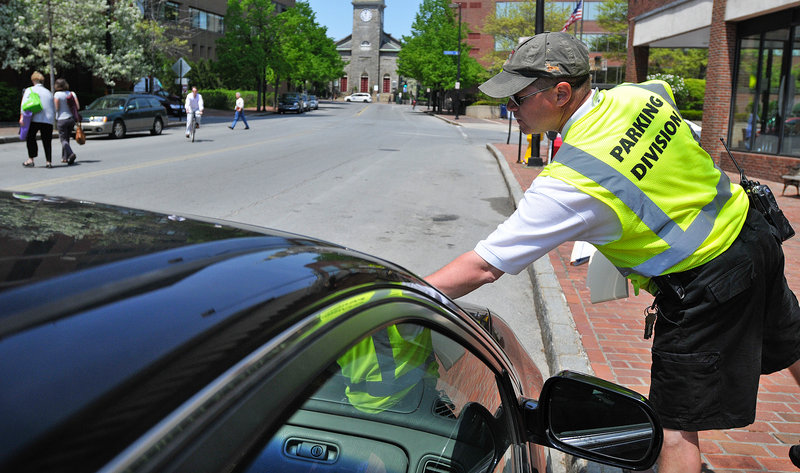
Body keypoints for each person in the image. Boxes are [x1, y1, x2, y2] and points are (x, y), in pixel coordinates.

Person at [424, 31, 800, 473]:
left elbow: (485, 266)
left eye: (517, 99)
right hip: (755, 235)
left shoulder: (572, 181)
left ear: (561, 92)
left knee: (674, 429)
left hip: (708, 283)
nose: (512, 110)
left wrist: (398, 290)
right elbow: (665, 122)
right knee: (793, 344)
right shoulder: (638, 96)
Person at [20, 71, 54, 168]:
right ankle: (48, 161)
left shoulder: (29, 90)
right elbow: (53, 107)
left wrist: (22, 117)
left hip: (34, 118)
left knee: (30, 138)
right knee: (47, 140)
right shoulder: (48, 92)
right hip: (48, 119)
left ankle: (31, 159)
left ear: (33, 80)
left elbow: (24, 105)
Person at [53, 78, 78, 166]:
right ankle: (64, 158)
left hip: (61, 119)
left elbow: (56, 108)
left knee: (63, 140)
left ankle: (71, 153)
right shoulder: (72, 94)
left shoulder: (57, 95)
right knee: (67, 139)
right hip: (71, 119)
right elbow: (77, 106)